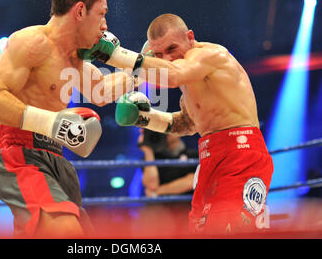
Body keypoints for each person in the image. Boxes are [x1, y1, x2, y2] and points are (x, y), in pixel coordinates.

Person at [80, 13, 274, 235]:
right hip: (210, 157)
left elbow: (173, 75)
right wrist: (146, 118)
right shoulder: (190, 82)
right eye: (160, 54)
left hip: (242, 155)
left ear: (189, 37)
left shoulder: (210, 55)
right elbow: (186, 124)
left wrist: (115, 55)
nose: (167, 58)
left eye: (172, 49)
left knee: (227, 232)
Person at [0, 0, 136, 238]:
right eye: (102, 14)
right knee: (66, 230)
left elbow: (102, 91)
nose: (105, 25)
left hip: (57, 159)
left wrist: (141, 70)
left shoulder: (75, 60)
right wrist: (49, 122)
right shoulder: (32, 42)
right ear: (80, 11)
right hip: (22, 156)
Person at [137, 129, 197, 197]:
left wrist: (157, 192)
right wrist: (148, 151)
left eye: (169, 128)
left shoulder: (194, 155)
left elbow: (191, 182)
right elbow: (151, 185)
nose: (166, 132)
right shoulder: (151, 158)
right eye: (164, 129)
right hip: (160, 206)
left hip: (187, 205)